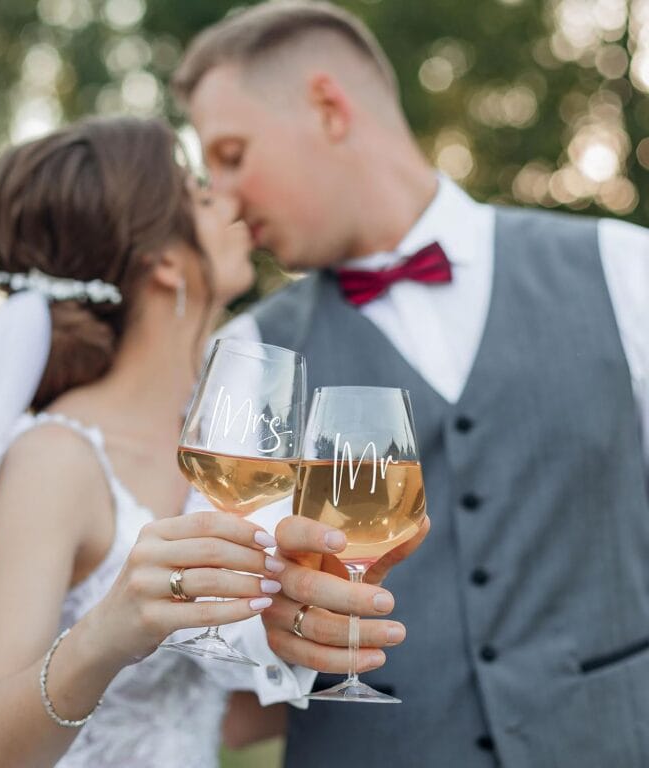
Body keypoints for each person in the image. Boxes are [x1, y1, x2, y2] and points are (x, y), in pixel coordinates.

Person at [173, 2, 649, 766]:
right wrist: (271, 627)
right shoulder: (250, 352)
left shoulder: (624, 269)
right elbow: (217, 618)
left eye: (232, 155)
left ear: (328, 108)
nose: (223, 199)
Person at [0, 116, 291, 768]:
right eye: (200, 194)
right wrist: (106, 633)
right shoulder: (55, 459)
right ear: (165, 262)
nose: (229, 201)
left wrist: (315, 627)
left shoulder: (224, 448)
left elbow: (237, 721)